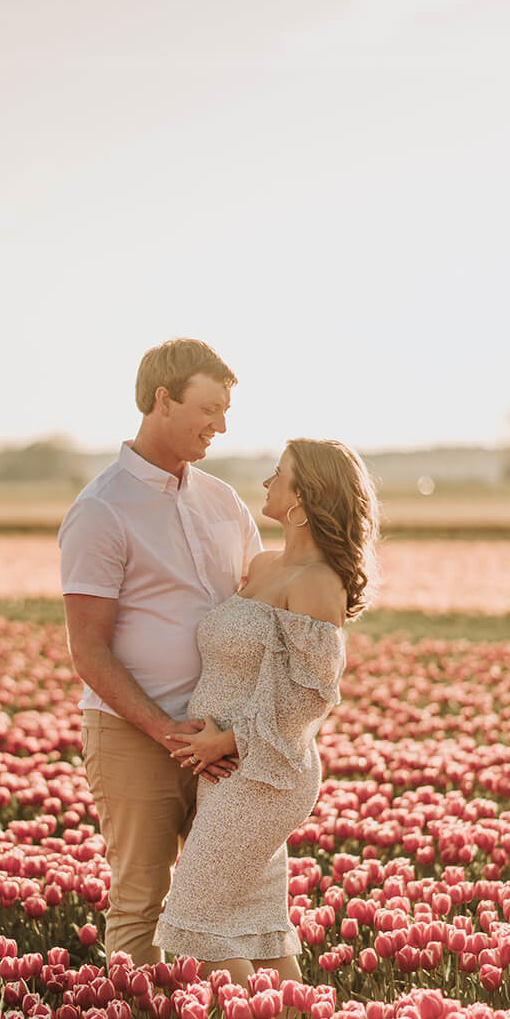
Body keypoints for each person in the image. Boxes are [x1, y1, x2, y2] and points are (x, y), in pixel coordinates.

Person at [58, 339, 263, 966]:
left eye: (226, 410)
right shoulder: (102, 509)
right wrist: (165, 729)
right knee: (141, 897)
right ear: (162, 400)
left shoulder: (222, 500)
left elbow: (264, 605)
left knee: (229, 898)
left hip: (220, 737)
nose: (221, 425)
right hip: (134, 733)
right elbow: (89, 653)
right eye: (208, 408)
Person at [154, 438, 379, 984]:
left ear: (302, 498)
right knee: (253, 925)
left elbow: (312, 695)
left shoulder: (318, 584)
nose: (267, 484)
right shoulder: (262, 565)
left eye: (279, 474)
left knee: (197, 924)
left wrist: (227, 741)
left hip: (264, 771)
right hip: (229, 771)